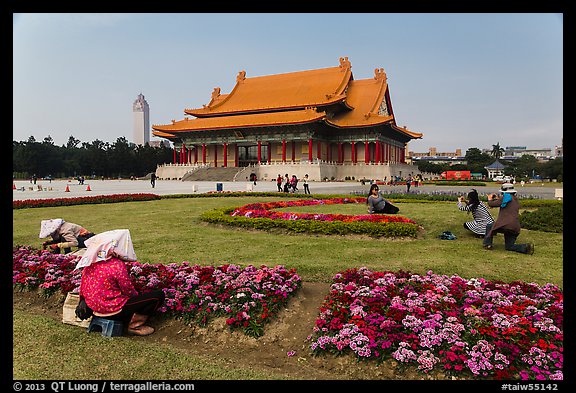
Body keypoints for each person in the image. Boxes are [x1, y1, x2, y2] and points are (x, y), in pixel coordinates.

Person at [76, 229, 165, 336]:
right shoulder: (116, 265)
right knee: (157, 296)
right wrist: (138, 298)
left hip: (95, 308)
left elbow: (83, 288)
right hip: (113, 311)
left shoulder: (90, 263)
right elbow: (128, 290)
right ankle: (134, 326)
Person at [482, 183, 534, 254]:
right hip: (514, 227)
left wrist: (489, 199)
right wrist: (498, 199)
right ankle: (526, 247)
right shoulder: (515, 199)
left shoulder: (505, 197)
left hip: (505, 225)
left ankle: (487, 244)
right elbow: (506, 203)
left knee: (489, 226)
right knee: (509, 246)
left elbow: (492, 204)